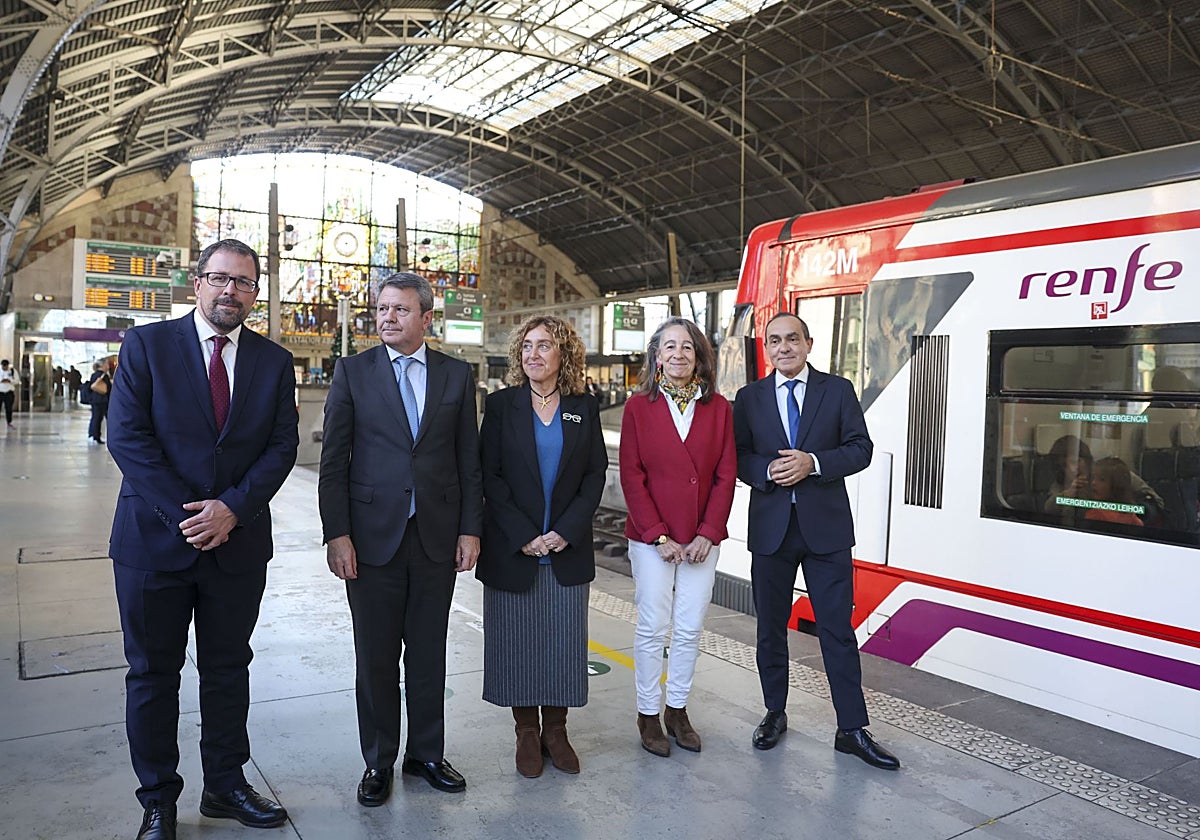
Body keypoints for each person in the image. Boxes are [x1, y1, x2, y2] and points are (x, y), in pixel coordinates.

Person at [106, 238, 299, 840]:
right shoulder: (147, 345)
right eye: (219, 278)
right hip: (153, 543)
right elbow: (127, 438)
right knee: (152, 674)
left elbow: (282, 446)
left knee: (228, 668)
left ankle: (225, 784)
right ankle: (158, 800)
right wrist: (190, 517)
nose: (229, 291)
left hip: (237, 544)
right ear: (197, 283)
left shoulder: (273, 361)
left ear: (255, 293)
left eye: (243, 282)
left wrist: (232, 510)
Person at [318, 272, 483, 805]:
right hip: (371, 540)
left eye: (400, 310)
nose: (388, 318)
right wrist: (338, 534)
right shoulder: (353, 372)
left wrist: (470, 528)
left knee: (429, 652)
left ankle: (426, 754)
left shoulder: (456, 375)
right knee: (376, 656)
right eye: (382, 309)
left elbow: (468, 459)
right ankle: (378, 760)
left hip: (436, 536)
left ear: (426, 318)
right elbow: (333, 462)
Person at [732, 312, 899, 770]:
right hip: (771, 530)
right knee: (770, 628)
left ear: (809, 343)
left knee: (837, 630)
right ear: (766, 348)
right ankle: (774, 712)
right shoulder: (749, 398)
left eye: (792, 339)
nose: (784, 347)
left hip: (826, 532)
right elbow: (738, 456)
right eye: (775, 341)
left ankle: (852, 729)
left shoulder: (837, 390)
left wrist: (815, 463)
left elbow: (860, 449)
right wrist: (766, 470)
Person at [475, 315, 607, 778]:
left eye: (544, 345)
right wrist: (524, 535)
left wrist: (566, 531)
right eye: (527, 346)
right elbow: (489, 476)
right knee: (517, 645)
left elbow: (594, 474)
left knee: (561, 645)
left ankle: (556, 730)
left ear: (562, 353)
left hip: (566, 549)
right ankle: (526, 732)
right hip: (516, 549)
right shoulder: (502, 405)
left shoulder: (583, 407)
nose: (533, 354)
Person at [619, 317, 735, 757]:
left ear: (699, 356)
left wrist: (709, 532)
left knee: (689, 628)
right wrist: (658, 537)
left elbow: (725, 475)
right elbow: (631, 476)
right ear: (657, 356)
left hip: (702, 539)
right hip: (653, 540)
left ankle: (678, 710)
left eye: (687, 346)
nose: (678, 354)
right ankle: (648, 713)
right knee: (653, 626)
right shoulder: (638, 407)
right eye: (669, 346)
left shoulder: (719, 408)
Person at [1087, 457, 1145, 526]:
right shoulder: (1130, 515)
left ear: (1117, 485)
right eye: (1093, 477)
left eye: (1102, 479)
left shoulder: (1095, 514)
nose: (1093, 483)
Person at [87, 362, 112, 443]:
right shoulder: (105, 376)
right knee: (102, 418)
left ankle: (92, 434)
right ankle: (97, 436)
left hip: (94, 400)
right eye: (106, 365)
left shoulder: (93, 375)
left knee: (95, 417)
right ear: (102, 366)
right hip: (103, 400)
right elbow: (108, 389)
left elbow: (90, 387)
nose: (107, 367)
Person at [0, 359, 15, 428]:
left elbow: (17, 380)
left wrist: (10, 380)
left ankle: (9, 422)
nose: (4, 368)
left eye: (6, 366)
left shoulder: (12, 371)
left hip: (9, 392)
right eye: (3, 366)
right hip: (0, 392)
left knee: (9, 408)